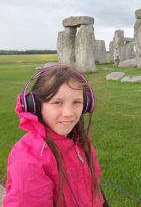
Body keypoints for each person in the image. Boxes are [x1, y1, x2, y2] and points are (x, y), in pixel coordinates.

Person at [4, 65, 109, 206]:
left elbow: (93, 183)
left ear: (86, 105)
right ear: (35, 105)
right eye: (57, 102)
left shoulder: (82, 140)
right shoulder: (30, 155)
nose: (69, 113)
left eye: (77, 102)